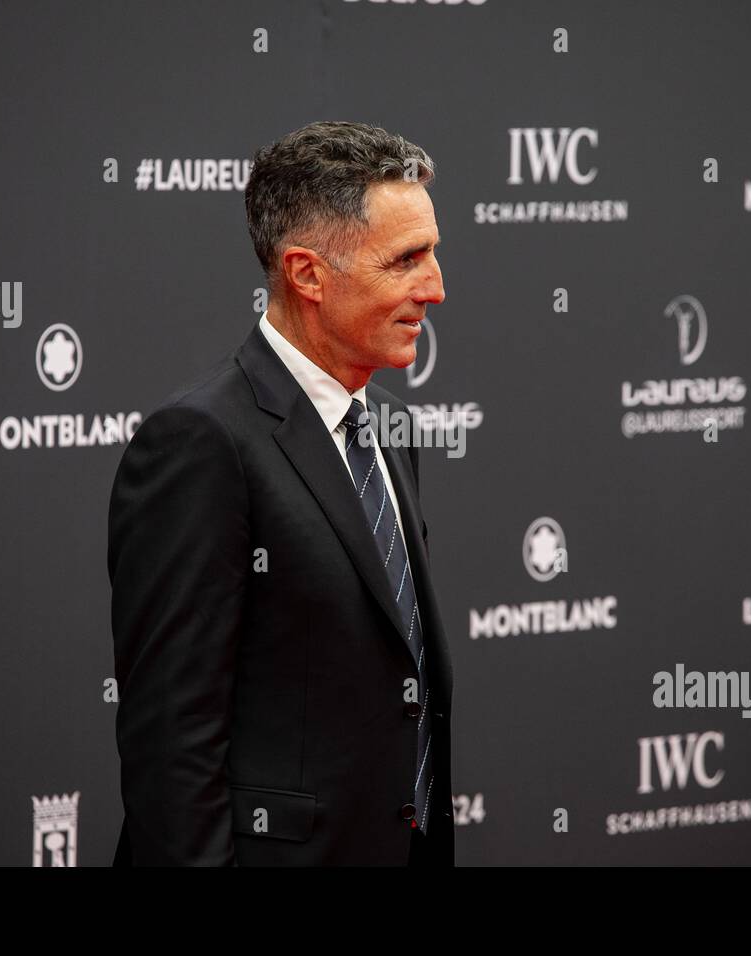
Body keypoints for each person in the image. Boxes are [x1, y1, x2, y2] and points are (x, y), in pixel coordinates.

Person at [107, 120, 453, 866]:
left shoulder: (388, 427)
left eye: (433, 253)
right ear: (307, 273)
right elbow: (173, 741)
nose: (436, 288)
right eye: (406, 261)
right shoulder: (201, 443)